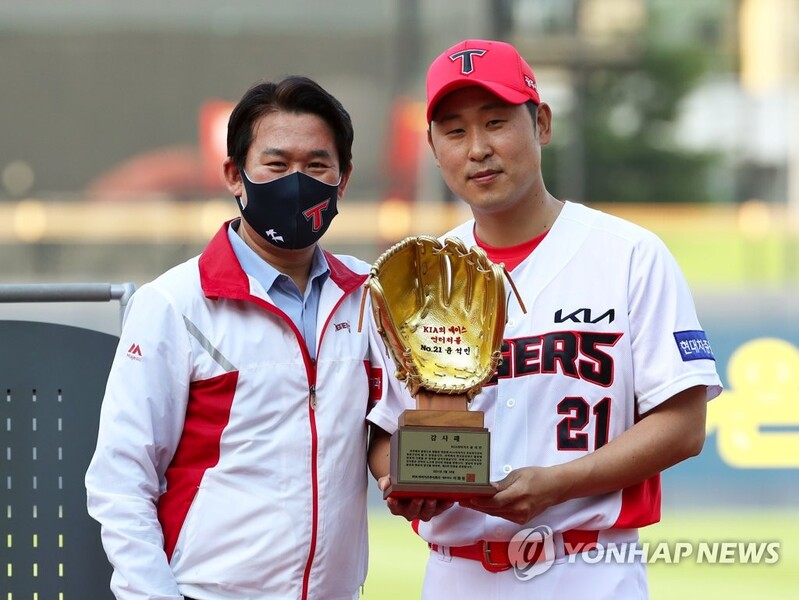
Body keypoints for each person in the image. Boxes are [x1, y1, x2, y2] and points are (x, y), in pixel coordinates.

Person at [366, 39, 723, 599]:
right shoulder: (420, 278)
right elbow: (385, 429)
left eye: (496, 122)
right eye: (455, 131)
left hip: (588, 568)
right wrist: (403, 480)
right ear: (433, 148)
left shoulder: (628, 254)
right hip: (456, 575)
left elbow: (684, 424)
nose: (478, 148)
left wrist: (558, 484)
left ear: (542, 124)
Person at [86, 76, 402, 600]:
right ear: (235, 175)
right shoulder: (175, 304)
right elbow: (122, 479)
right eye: (276, 165)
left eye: (317, 166)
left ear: (343, 180)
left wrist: (418, 473)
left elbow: (395, 423)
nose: (297, 182)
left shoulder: (371, 295)